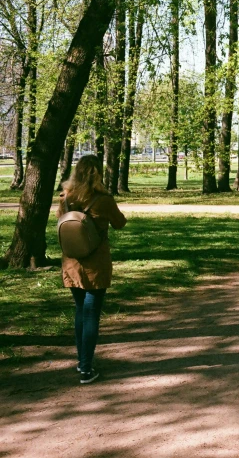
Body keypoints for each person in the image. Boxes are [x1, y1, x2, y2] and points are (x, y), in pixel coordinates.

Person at [57, 155, 127, 384]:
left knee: (80, 311)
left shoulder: (66, 197)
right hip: (96, 264)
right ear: (98, 173)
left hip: (72, 262)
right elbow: (119, 223)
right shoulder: (103, 200)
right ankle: (86, 368)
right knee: (91, 315)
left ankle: (81, 361)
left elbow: (60, 221)